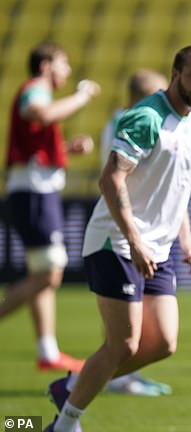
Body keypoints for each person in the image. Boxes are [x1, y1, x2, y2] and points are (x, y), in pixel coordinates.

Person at [44, 45, 191, 432]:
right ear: (175, 73)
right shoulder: (145, 117)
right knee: (122, 344)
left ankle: (72, 386)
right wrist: (135, 241)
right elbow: (110, 179)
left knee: (163, 344)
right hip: (117, 242)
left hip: (160, 246)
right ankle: (66, 422)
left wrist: (186, 239)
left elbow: (180, 188)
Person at [0, 42, 100, 373]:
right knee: (50, 273)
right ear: (45, 65)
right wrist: (82, 96)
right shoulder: (35, 89)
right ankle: (47, 350)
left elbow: (36, 140)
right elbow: (38, 112)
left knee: (42, 274)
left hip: (34, 190)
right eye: (63, 63)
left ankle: (47, 351)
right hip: (34, 194)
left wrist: (64, 148)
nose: (67, 70)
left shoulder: (36, 92)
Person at [99, 68, 173, 397]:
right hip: (126, 230)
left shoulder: (122, 121)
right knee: (126, 326)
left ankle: (123, 376)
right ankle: (111, 377)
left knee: (144, 326)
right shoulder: (129, 123)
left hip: (147, 230)